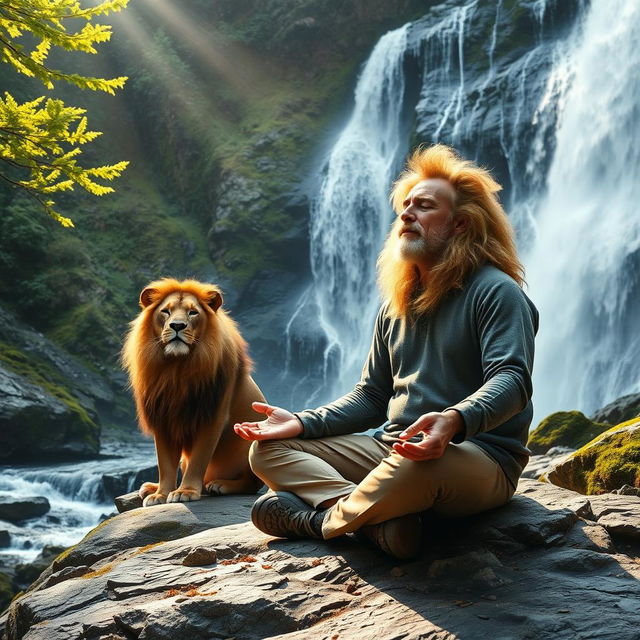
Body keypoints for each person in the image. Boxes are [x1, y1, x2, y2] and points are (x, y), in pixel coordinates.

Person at [234, 144, 539, 560]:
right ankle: (378, 522)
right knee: (267, 449)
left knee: (416, 466)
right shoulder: (396, 304)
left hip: (477, 458)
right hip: (392, 448)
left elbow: (512, 379)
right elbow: (373, 397)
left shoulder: (497, 292)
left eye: (424, 206)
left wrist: (454, 421)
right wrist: (301, 423)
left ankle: (319, 522)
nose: (406, 214)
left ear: (462, 224)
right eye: (405, 205)